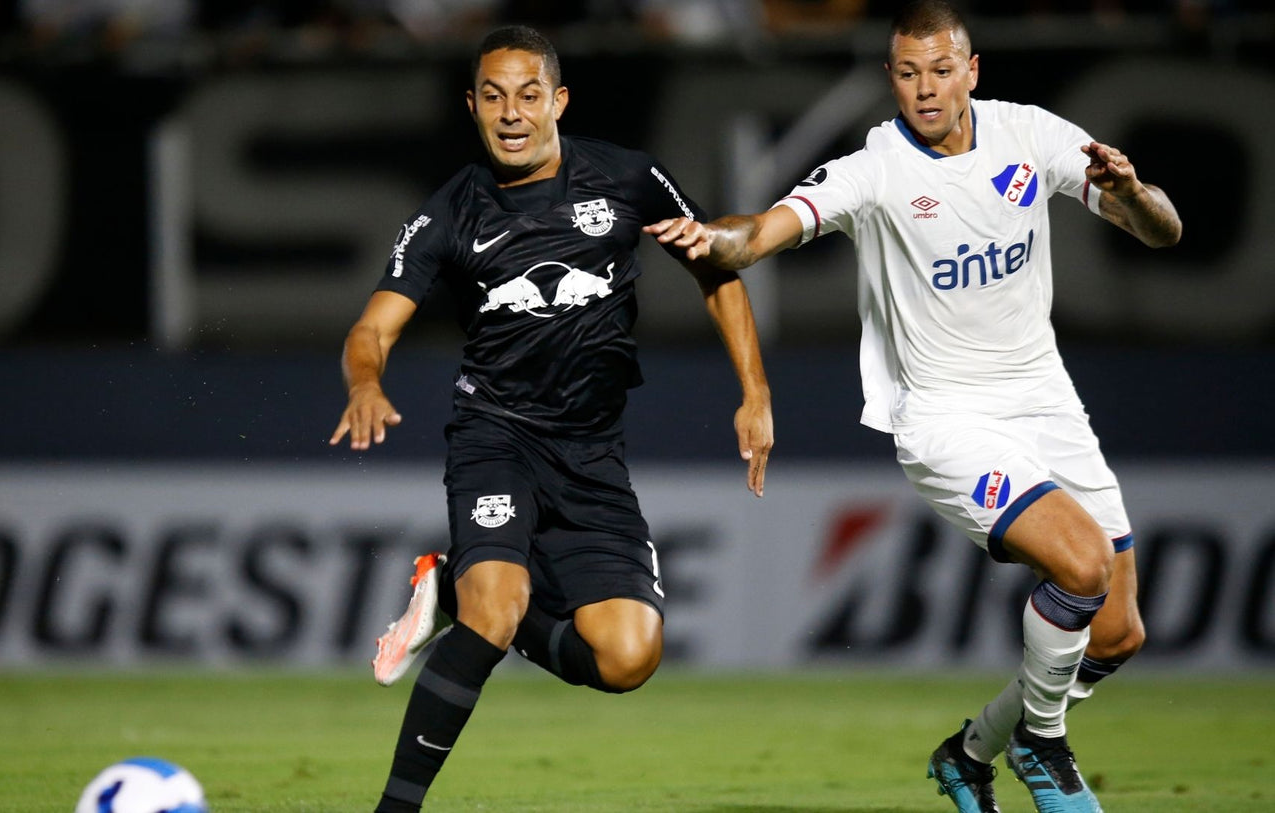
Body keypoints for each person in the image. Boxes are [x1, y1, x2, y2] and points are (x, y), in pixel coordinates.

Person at [645, 2, 1180, 812]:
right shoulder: (874, 169)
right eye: (905, 73)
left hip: (1044, 397)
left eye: (938, 70)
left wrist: (1132, 191)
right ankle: (1041, 746)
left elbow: (1162, 233)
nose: (923, 89)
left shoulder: (1029, 133)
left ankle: (970, 754)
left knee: (1115, 632)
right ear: (890, 78)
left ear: (971, 70)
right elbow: (759, 233)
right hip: (944, 418)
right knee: (1078, 563)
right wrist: (713, 240)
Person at [329, 24, 774, 812]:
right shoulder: (449, 214)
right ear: (471, 106)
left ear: (557, 100)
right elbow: (371, 328)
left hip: (592, 453)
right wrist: (366, 381)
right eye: (492, 96)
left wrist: (755, 390)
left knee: (627, 656)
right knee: (493, 613)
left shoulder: (629, 178)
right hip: (494, 435)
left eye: (528, 94)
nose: (511, 113)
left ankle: (446, 588)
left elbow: (716, 266)